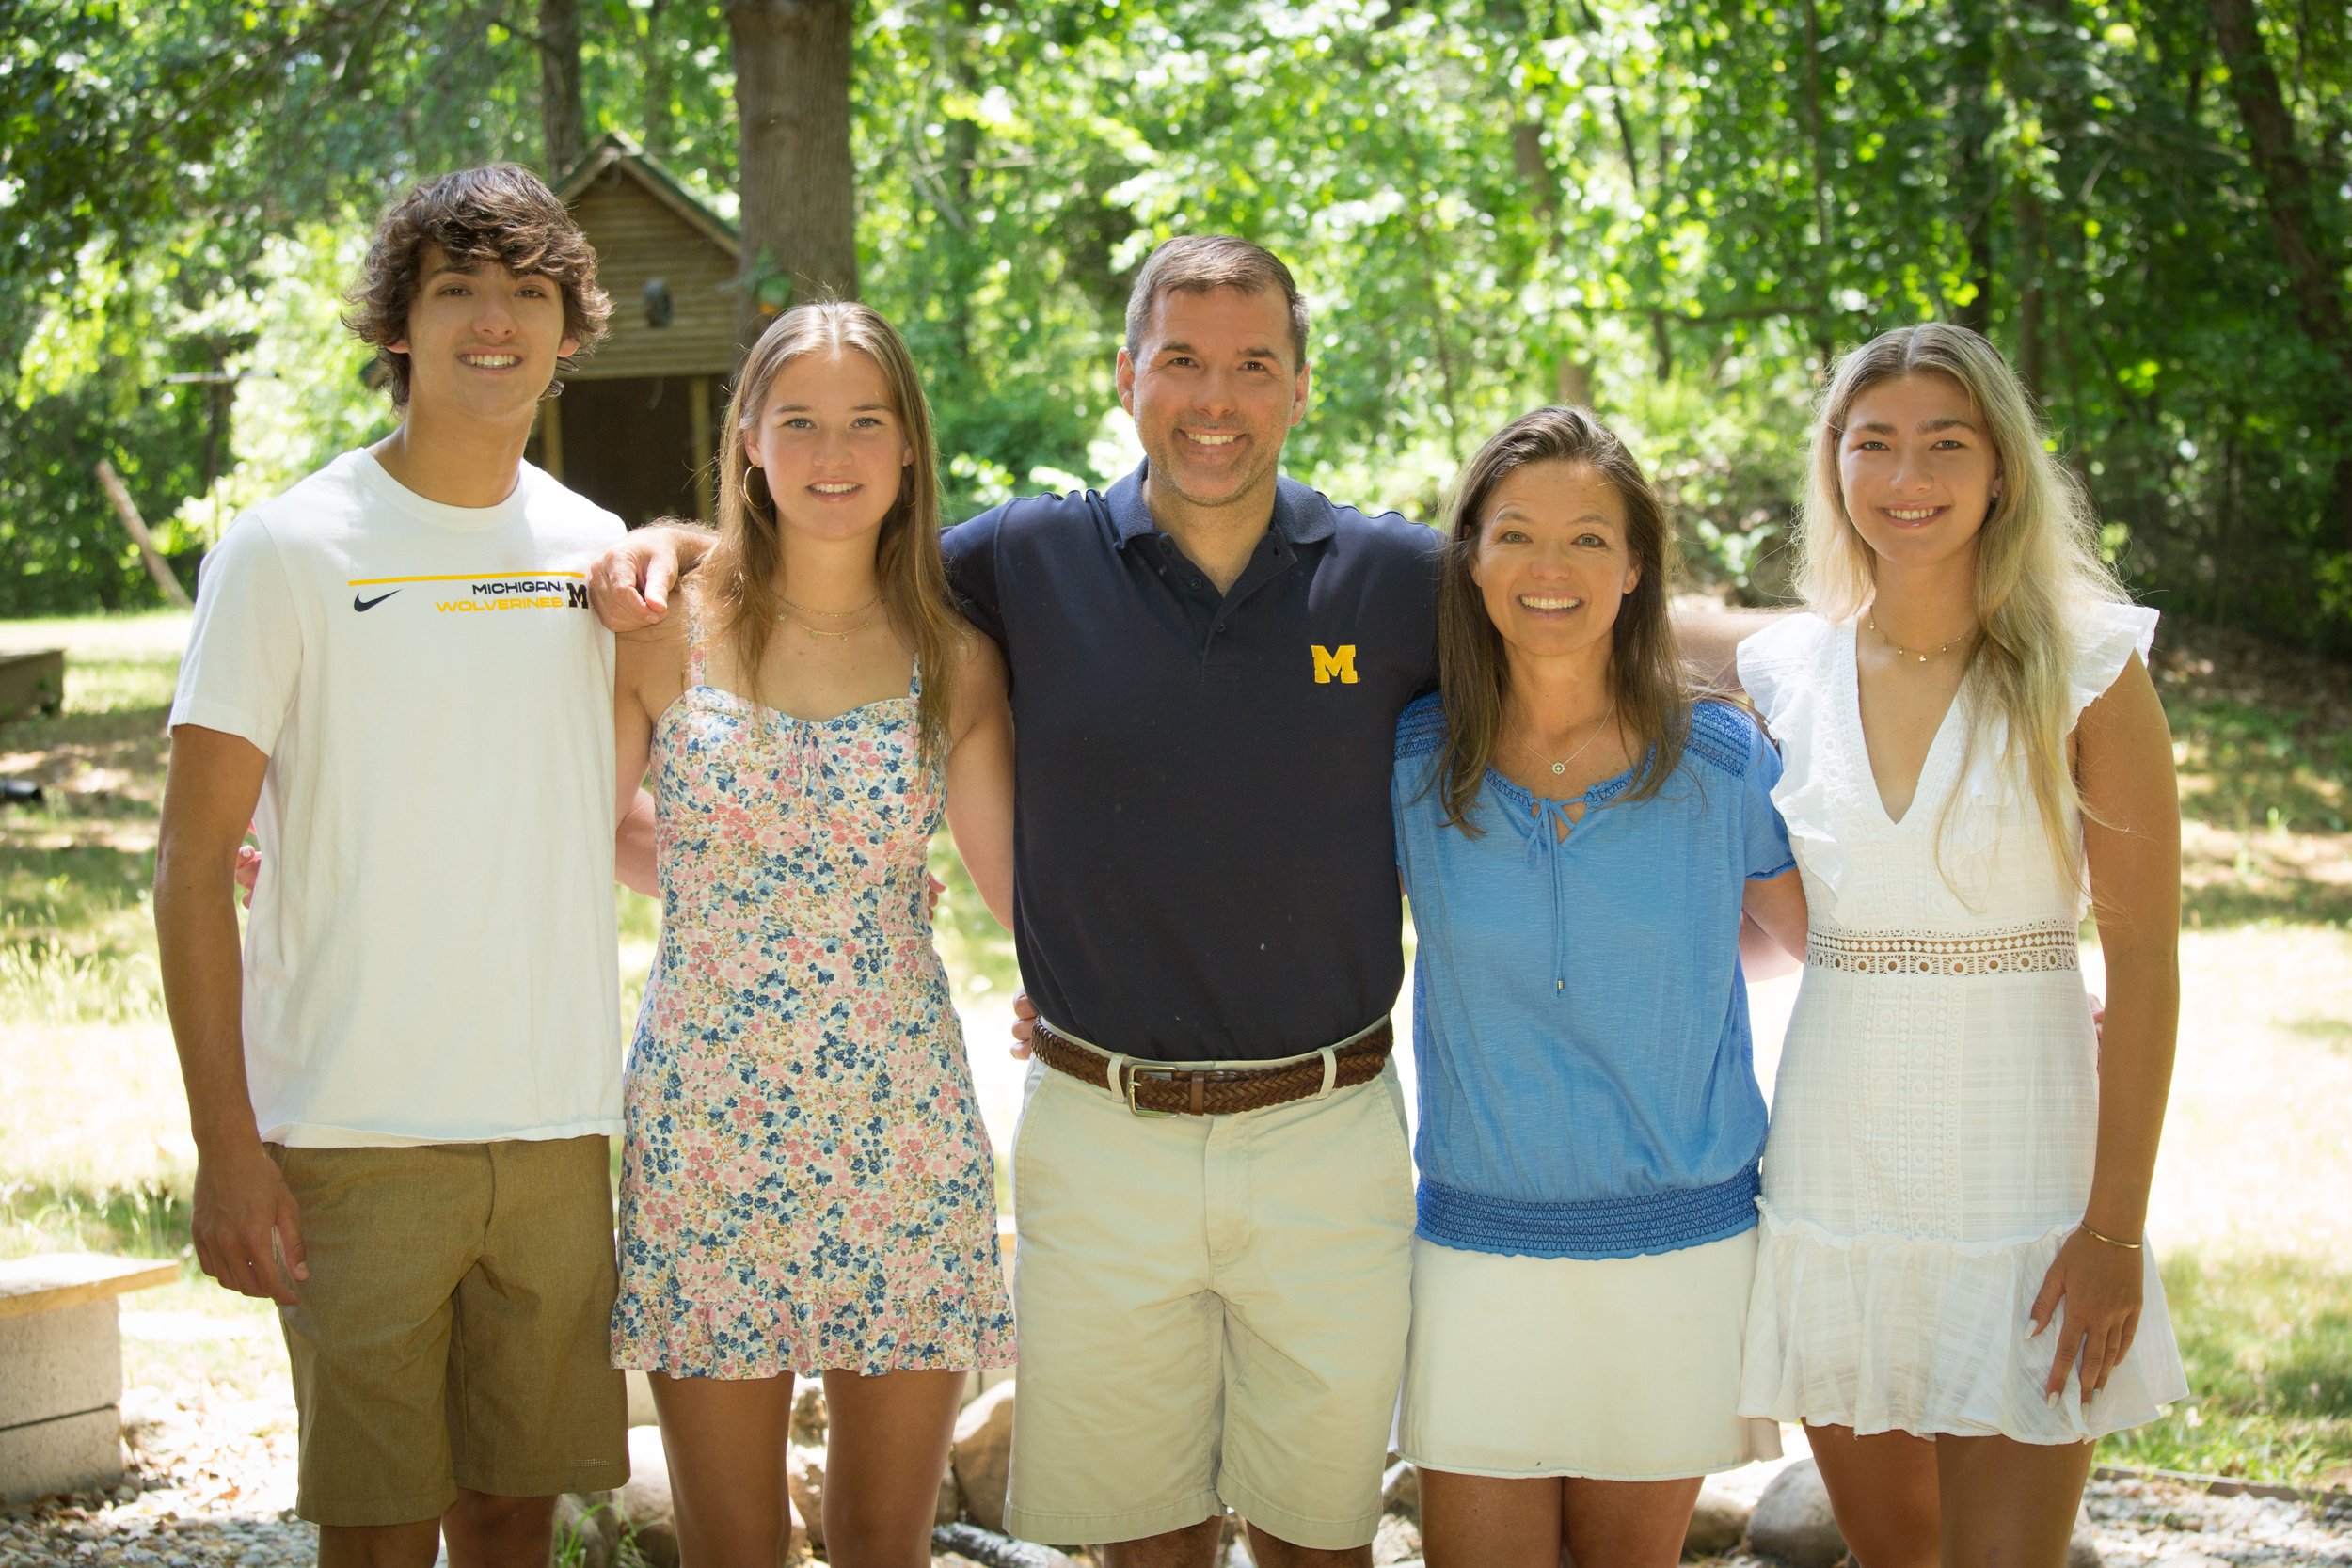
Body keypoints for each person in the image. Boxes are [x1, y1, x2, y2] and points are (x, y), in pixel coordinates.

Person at [591, 236, 1441, 1568]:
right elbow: (800, 557)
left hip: (1078, 1120)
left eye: (1252, 365)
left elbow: (1561, 638)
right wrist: (666, 541)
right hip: (784, 1116)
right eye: (1182, 361)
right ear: (1126, 375)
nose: (1215, 397)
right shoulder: (1008, 570)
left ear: (1299, 383)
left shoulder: (1388, 580)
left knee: (1291, 1534)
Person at [152, 165, 630, 1567]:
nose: (496, 322)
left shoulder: (593, 554)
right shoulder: (288, 548)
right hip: (353, 1130)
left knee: (511, 1512)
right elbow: (189, 867)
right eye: (458, 289)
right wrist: (227, 1145)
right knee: (376, 1525)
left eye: (528, 292)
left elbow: (602, 811)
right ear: (399, 325)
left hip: (555, 1125)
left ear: (566, 325)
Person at [1732, 323, 2188, 1566]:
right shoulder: (1785, 670)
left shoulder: (2090, 666)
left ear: (2001, 468)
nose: (1906, 474)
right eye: (1870, 443)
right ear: (1833, 467)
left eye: (1945, 442)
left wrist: (2114, 1229)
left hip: (2029, 1180)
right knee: (1895, 1554)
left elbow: (2147, 961)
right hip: (1836, 1175)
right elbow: (1605, 615)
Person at [606, 300, 1017, 1567]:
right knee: (733, 1550)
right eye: (800, 420)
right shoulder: (661, 626)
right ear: (748, 439)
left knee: (880, 1546)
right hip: (706, 1124)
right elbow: (558, 833)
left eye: (864, 420)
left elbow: (1025, 892)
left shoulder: (955, 654)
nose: (832, 450)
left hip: (897, 1126)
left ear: (907, 450)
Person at [1391, 407, 1805, 1567]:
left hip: (1677, 1247)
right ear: (1469, 557)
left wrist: (2020, 978)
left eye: (1587, 538)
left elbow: (1841, 948)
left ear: (1634, 566)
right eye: (1515, 534)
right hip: (1477, 1243)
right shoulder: (1416, 758)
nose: (1549, 568)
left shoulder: (1720, 759)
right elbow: (1304, 933)